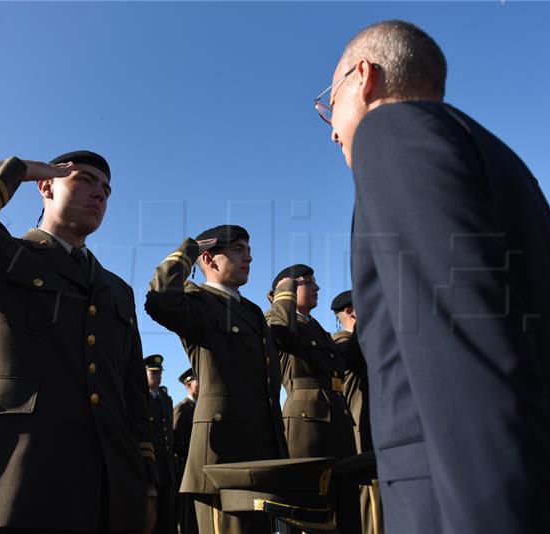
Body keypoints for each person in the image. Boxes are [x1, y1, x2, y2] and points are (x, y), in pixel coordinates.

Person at [318, 19, 550, 533]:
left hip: (462, 503)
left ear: (363, 77)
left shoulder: (391, 135)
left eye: (331, 103)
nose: (331, 128)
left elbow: (460, 353)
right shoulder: (494, 157)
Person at [0, 151, 157, 533]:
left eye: (106, 188)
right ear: (45, 185)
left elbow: (132, 392)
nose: (99, 193)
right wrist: (14, 172)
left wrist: (147, 484)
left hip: (107, 486)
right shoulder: (3, 252)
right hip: (14, 477)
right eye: (85, 179)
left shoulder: (117, 290)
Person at [145, 225, 288, 534]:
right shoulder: (198, 301)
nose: (248, 258)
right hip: (222, 453)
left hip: (262, 447)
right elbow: (158, 298)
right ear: (209, 259)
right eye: (238, 250)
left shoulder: (250, 311)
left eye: (249, 252)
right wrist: (189, 251)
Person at [265, 265, 358, 533]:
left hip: (336, 416)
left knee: (343, 502)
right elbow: (282, 333)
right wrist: (284, 294)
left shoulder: (317, 328)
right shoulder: (276, 318)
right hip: (308, 422)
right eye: (308, 282)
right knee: (310, 505)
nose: (316, 288)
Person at [330, 290, 381, 534]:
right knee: (370, 508)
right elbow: (356, 353)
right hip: (361, 433)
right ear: (351, 311)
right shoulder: (340, 342)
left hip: (377, 430)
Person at [144, 354, 177, 534]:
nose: (158, 377)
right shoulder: (141, 399)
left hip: (166, 468)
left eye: (159, 374)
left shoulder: (165, 399)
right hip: (151, 468)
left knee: (168, 519)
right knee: (152, 521)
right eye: (153, 373)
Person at [173, 368, 199, 534]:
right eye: (197, 381)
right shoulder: (183, 408)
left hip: (199, 465)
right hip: (186, 466)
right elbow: (176, 440)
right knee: (188, 512)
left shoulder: (199, 406)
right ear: (188, 385)